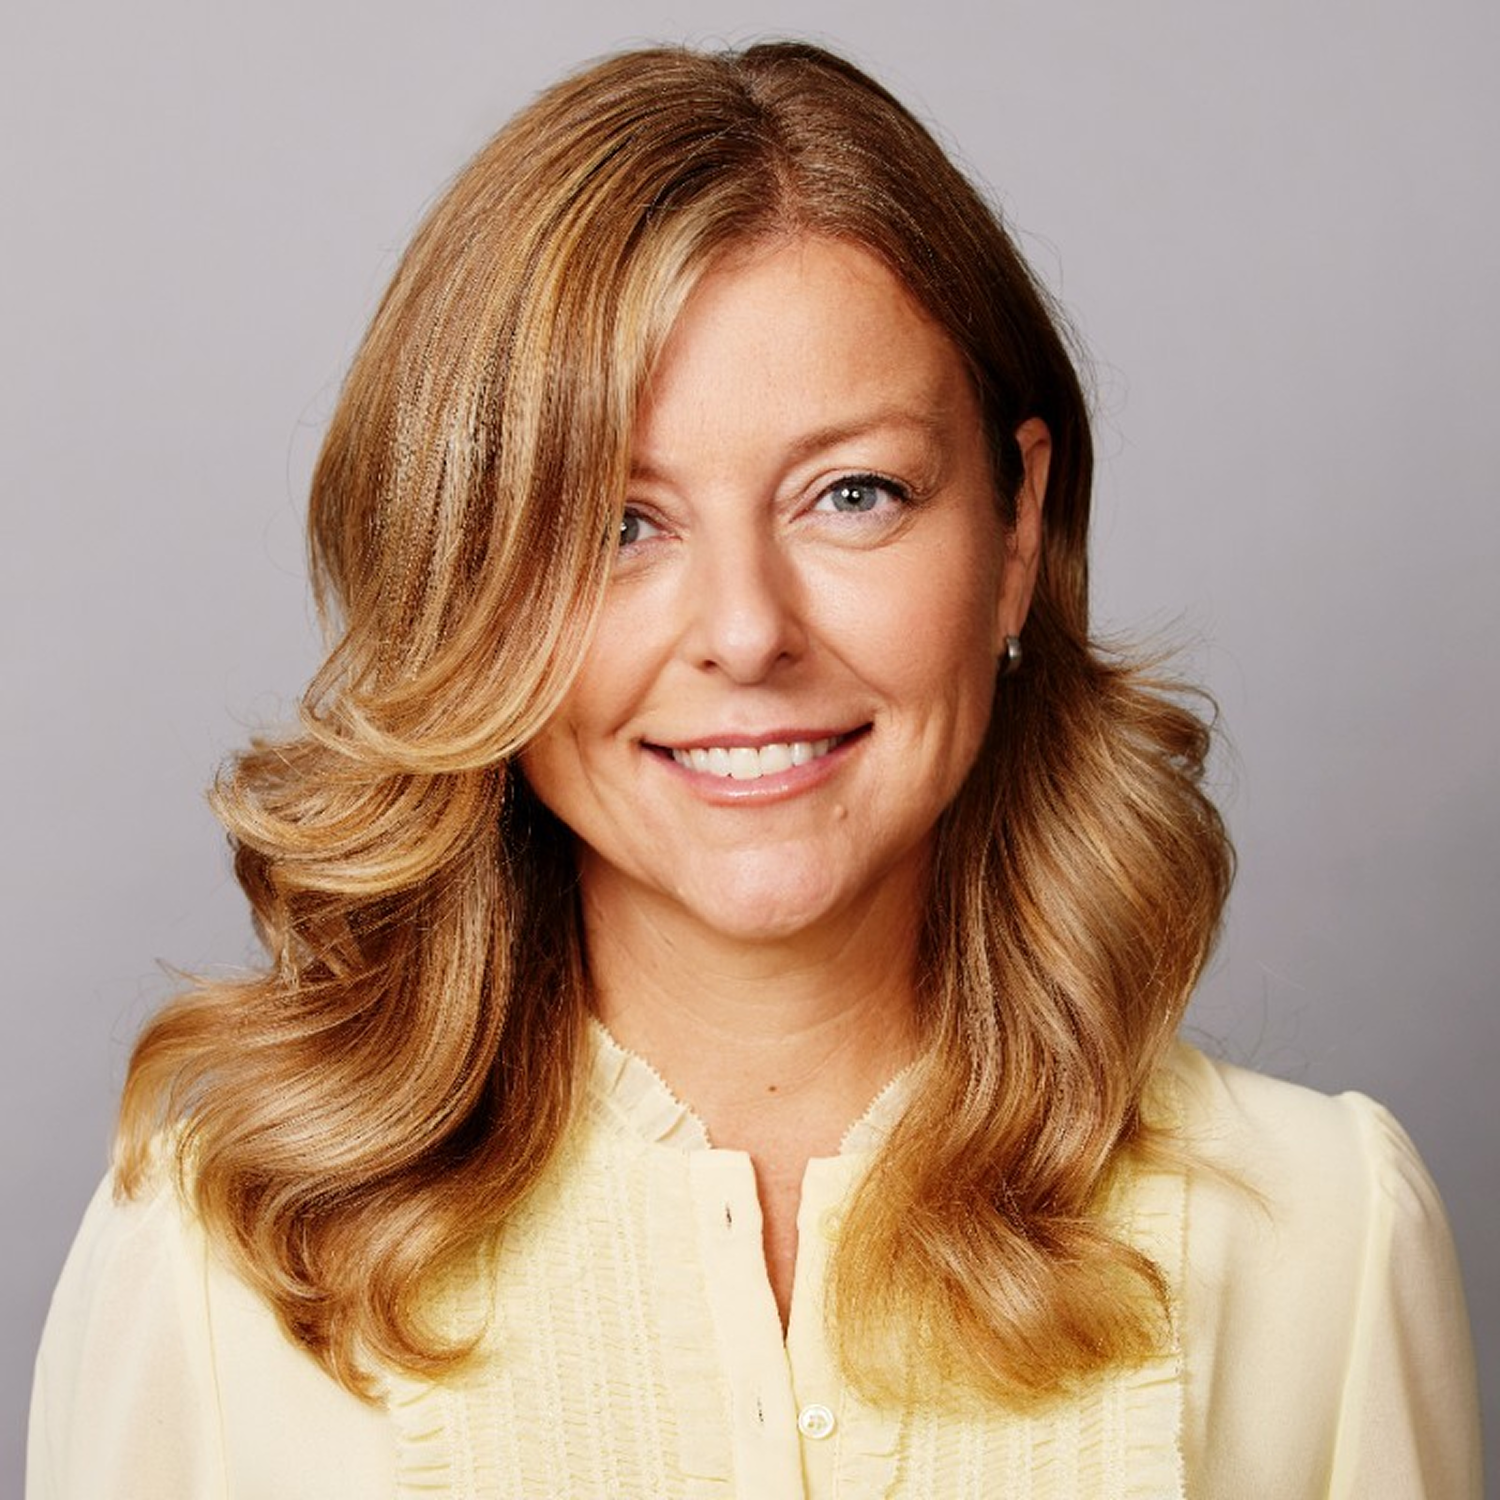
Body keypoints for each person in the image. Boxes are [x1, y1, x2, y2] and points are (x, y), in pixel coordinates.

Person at [27, 40, 1481, 1500]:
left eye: (854, 494)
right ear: (468, 588)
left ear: (1018, 527)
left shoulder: (1325, 1238)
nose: (745, 631)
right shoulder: (213, 1263)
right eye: (618, 524)